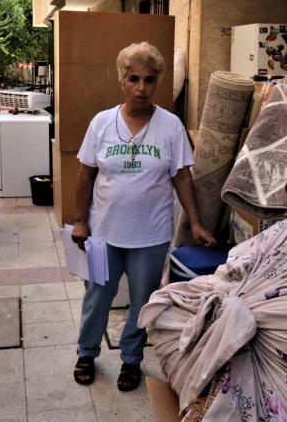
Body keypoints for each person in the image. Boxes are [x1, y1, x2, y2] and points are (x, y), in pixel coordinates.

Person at [70, 41, 216, 392]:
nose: (141, 87)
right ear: (121, 81)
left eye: (149, 80)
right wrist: (80, 220)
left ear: (157, 83)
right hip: (104, 232)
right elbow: (86, 174)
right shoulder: (102, 123)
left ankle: (131, 360)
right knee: (97, 297)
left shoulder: (170, 125)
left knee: (143, 300)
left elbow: (181, 175)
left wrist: (195, 223)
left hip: (150, 234)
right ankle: (86, 353)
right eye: (133, 78)